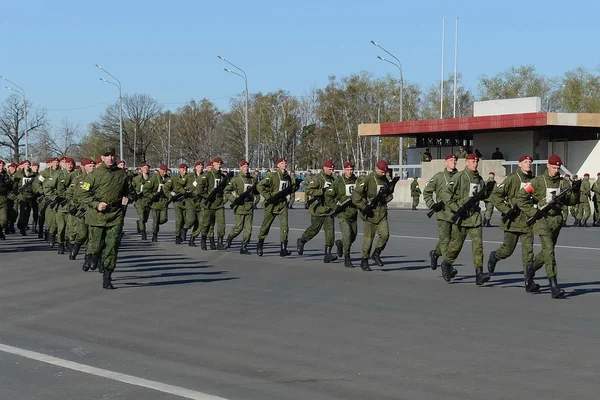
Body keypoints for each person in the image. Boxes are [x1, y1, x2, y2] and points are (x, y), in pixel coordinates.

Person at [514, 155, 579, 298]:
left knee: (545, 253)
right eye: (554, 167)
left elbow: (571, 201)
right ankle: (554, 286)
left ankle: (531, 269)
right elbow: (520, 197)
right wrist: (533, 212)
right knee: (549, 253)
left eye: (558, 168)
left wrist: (576, 190)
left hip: (556, 221)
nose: (556, 171)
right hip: (542, 221)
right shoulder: (537, 182)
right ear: (548, 166)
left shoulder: (563, 183)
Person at [79, 147, 130, 289]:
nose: (110, 158)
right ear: (102, 157)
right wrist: (96, 204)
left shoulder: (122, 175)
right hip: (97, 216)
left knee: (112, 246)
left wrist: (128, 198)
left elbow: (129, 191)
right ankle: (92, 255)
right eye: (107, 155)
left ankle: (107, 276)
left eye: (112, 155)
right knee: (96, 244)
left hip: (115, 215)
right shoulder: (93, 175)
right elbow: (83, 195)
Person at [487, 155, 539, 292]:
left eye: (530, 162)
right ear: (519, 164)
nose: (529, 164)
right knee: (507, 250)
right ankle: (494, 256)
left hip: (527, 221)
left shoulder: (533, 180)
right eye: (525, 162)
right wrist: (506, 210)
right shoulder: (512, 178)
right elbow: (495, 195)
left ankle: (529, 281)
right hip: (513, 221)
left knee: (528, 253)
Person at [439, 153, 492, 285]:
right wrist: (455, 208)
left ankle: (479, 273)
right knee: (456, 246)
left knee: (478, 246)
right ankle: (446, 264)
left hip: (474, 217)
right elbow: (446, 194)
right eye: (473, 161)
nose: (475, 164)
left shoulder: (479, 179)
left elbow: (483, 196)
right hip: (462, 218)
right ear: (467, 162)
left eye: (476, 162)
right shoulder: (459, 177)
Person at [351, 160, 394, 271]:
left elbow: (389, 195)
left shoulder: (385, 180)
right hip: (370, 214)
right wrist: (364, 206)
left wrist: (387, 196)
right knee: (368, 239)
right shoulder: (367, 179)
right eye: (382, 171)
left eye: (385, 172)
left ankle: (376, 253)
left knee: (385, 235)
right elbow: (356, 195)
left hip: (382, 212)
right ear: (376, 169)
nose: (384, 174)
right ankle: (364, 260)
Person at [423, 154, 459, 276]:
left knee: (453, 240)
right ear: (445, 162)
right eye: (451, 160)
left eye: (455, 160)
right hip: (442, 213)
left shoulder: (460, 176)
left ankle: (435, 253)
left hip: (456, 213)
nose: (453, 162)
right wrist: (432, 205)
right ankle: (448, 266)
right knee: (445, 240)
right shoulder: (439, 177)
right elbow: (427, 192)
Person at [297, 160, 338, 263]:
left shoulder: (333, 180)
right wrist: (321, 192)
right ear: (324, 168)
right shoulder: (318, 178)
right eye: (329, 169)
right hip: (318, 209)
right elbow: (309, 190)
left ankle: (327, 253)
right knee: (314, 230)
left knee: (330, 232)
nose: (331, 171)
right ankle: (302, 241)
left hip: (328, 210)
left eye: (332, 169)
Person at [257, 158, 294, 257]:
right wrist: (268, 196)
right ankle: (260, 244)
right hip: (271, 205)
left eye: (285, 163)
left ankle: (283, 248)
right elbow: (259, 186)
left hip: (282, 205)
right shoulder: (272, 176)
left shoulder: (287, 177)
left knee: (285, 226)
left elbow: (290, 189)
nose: (285, 165)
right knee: (266, 226)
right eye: (282, 163)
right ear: (278, 165)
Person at [328, 161, 358, 268]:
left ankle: (340, 243)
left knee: (353, 237)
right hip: (342, 213)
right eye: (347, 170)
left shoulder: (357, 181)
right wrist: (335, 207)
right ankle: (347, 258)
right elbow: (329, 196)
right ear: (344, 170)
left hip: (353, 213)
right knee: (347, 235)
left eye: (351, 170)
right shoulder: (338, 182)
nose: (349, 172)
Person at [224, 160, 255, 254]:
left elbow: (257, 190)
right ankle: (230, 238)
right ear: (240, 168)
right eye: (244, 167)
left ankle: (244, 246)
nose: (246, 168)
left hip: (249, 206)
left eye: (247, 167)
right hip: (240, 206)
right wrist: (234, 199)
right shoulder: (236, 179)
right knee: (238, 228)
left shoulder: (252, 179)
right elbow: (226, 191)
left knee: (248, 229)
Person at [198, 157, 228, 250]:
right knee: (206, 223)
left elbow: (226, 188)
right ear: (213, 164)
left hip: (219, 203)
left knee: (221, 223)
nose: (219, 166)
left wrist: (224, 198)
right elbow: (200, 188)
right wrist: (207, 196)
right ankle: (203, 239)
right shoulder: (207, 175)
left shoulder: (222, 176)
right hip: (209, 204)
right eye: (217, 164)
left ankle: (220, 242)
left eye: (220, 164)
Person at [143, 164, 169, 242]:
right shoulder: (154, 178)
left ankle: (157, 224)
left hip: (164, 202)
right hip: (155, 203)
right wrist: (152, 196)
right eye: (163, 171)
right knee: (155, 220)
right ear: (160, 170)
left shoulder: (168, 179)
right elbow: (145, 189)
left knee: (164, 219)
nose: (164, 173)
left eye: (165, 171)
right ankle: (155, 234)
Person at [164, 163, 189, 244]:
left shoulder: (189, 178)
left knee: (186, 219)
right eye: (183, 170)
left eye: (186, 170)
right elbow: (166, 189)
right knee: (179, 219)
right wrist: (171, 196)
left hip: (187, 201)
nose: (184, 172)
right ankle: (177, 235)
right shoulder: (174, 178)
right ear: (179, 170)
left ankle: (183, 231)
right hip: (177, 201)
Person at [184, 161, 205, 247]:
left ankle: (192, 238)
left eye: (202, 166)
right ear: (196, 167)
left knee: (201, 223)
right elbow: (180, 185)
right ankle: (184, 229)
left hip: (201, 202)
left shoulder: (205, 176)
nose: (201, 168)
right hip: (190, 201)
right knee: (191, 220)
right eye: (199, 166)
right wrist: (185, 192)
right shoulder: (189, 176)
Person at [13, 160, 37, 236]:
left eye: (28, 164)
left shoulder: (33, 174)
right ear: (23, 165)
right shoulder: (19, 173)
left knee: (27, 213)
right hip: (22, 195)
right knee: (23, 212)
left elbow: (36, 184)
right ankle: (22, 227)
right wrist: (15, 192)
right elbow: (15, 184)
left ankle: (23, 224)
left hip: (30, 195)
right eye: (25, 164)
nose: (27, 165)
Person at [132, 163, 152, 240]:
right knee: (141, 217)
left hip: (148, 200)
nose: (146, 169)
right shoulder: (136, 179)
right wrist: (136, 192)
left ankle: (139, 223)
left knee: (145, 219)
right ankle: (143, 233)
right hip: (139, 200)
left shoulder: (152, 179)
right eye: (144, 168)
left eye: (147, 168)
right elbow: (132, 188)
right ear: (141, 169)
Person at [0, 160, 12, 240]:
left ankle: (0, 230)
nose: (1, 167)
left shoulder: (5, 175)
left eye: (2, 165)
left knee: (4, 219)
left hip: (3, 199)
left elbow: (8, 185)